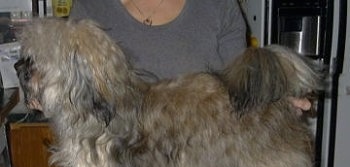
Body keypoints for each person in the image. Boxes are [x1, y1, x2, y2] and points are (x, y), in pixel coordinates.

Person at [69, 0, 311, 111]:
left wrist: (273, 100)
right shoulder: (90, 8)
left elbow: (240, 90)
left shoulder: (219, 6)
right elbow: (76, 90)